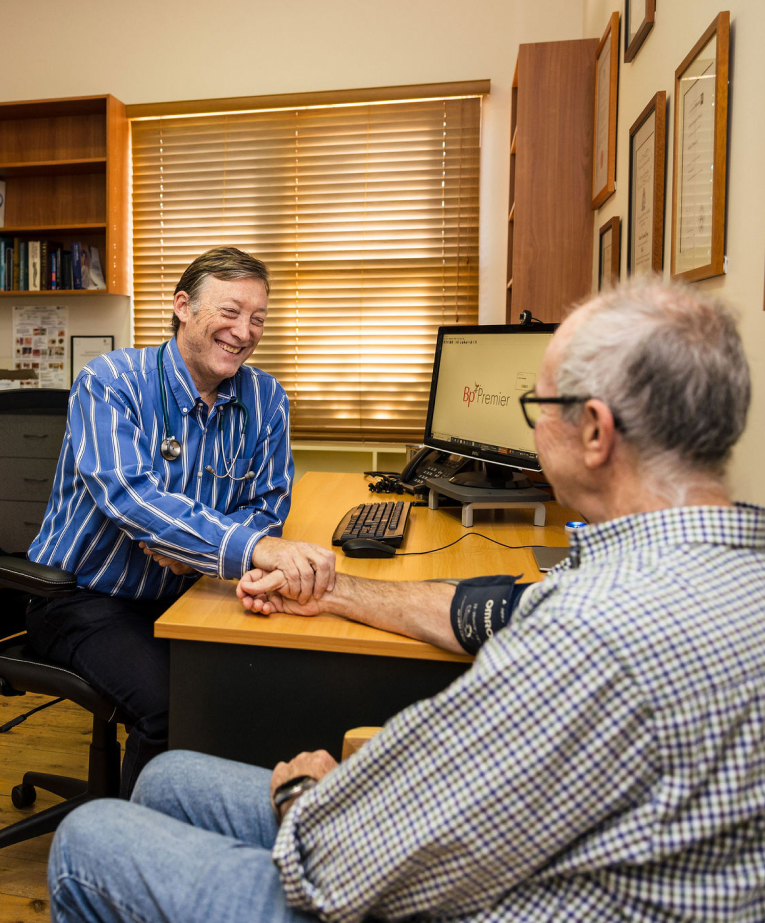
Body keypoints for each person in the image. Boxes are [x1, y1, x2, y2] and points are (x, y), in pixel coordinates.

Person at [47, 281, 765, 922]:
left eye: (535, 404)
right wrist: (334, 590)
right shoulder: (708, 573)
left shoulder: (587, 635)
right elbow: (483, 610)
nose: (531, 427)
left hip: (407, 878)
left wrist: (308, 795)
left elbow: (344, 864)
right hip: (98, 597)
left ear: (594, 430)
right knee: (171, 775)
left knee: (89, 836)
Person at [27, 247, 335, 798]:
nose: (245, 332)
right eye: (231, 311)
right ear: (182, 306)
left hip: (193, 589)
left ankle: (208, 827)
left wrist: (196, 548)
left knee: (272, 680)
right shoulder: (110, 382)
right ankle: (130, 858)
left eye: (258, 318)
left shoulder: (266, 399)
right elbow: (130, 498)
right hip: (84, 597)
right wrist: (245, 549)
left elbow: (269, 503)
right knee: (177, 707)